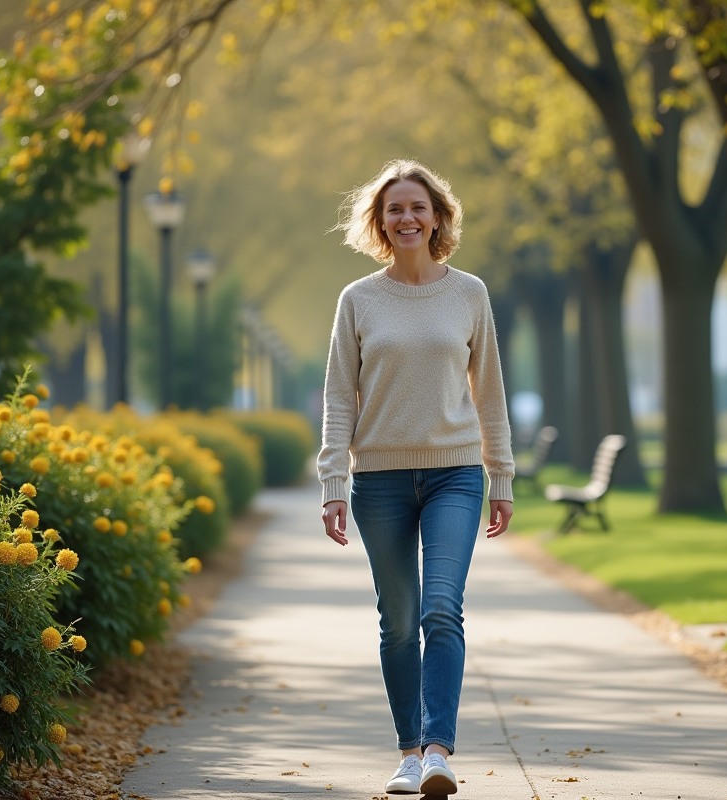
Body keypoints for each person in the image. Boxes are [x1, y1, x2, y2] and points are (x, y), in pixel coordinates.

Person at [317, 159, 515, 795]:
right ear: (380, 222)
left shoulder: (470, 294)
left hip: (455, 474)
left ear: (438, 218)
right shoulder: (358, 300)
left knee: (440, 610)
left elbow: (489, 393)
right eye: (395, 209)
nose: (407, 218)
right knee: (398, 619)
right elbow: (338, 399)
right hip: (379, 481)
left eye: (418, 208)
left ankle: (438, 749)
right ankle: (407, 752)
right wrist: (334, 483)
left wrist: (501, 476)